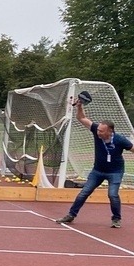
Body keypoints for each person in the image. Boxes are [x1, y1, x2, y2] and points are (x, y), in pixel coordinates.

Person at [56, 95, 131, 228]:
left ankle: (116, 219)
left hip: (115, 172)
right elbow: (81, 118)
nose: (98, 132)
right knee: (84, 193)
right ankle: (71, 215)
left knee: (112, 194)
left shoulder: (120, 140)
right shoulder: (96, 131)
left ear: (110, 131)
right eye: (98, 130)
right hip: (97, 171)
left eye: (101, 131)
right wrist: (79, 106)